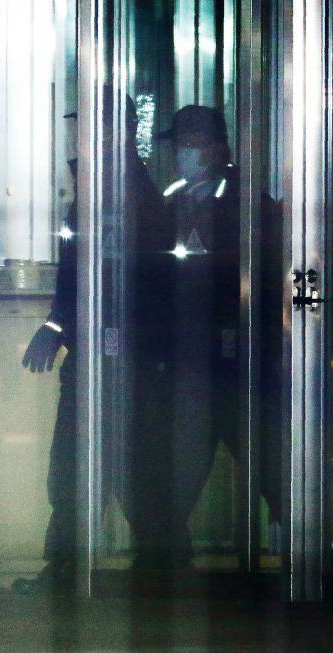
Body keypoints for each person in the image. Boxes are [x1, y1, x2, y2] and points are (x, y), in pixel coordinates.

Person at [12, 92, 164, 594]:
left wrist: (69, 328)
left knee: (123, 467)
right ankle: (71, 568)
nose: (79, 135)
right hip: (100, 350)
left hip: (125, 354)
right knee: (81, 466)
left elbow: (122, 279)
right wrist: (58, 326)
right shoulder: (97, 186)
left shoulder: (127, 192)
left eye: (88, 125)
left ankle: (155, 566)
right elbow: (76, 276)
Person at [128, 105, 281, 568]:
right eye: (178, 145)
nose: (181, 154)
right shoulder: (175, 199)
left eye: (190, 144)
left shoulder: (245, 203)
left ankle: (310, 554)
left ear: (217, 148)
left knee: (272, 468)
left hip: (236, 360)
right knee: (176, 474)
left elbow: (259, 282)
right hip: (192, 365)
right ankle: (162, 563)